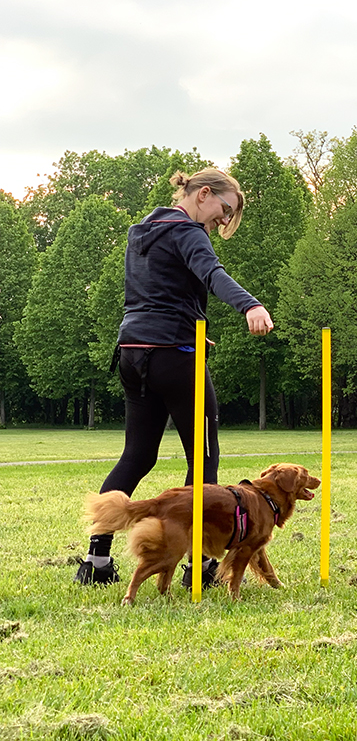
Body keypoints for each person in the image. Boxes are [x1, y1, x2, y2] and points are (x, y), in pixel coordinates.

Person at [74, 168, 274, 586]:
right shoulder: (188, 232)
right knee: (203, 457)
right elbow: (212, 275)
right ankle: (197, 567)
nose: (222, 221)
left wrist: (185, 326)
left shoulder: (140, 230)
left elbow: (158, 293)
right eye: (224, 210)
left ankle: (96, 562)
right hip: (174, 355)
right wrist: (250, 306)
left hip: (132, 352)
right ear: (204, 194)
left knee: (137, 455)